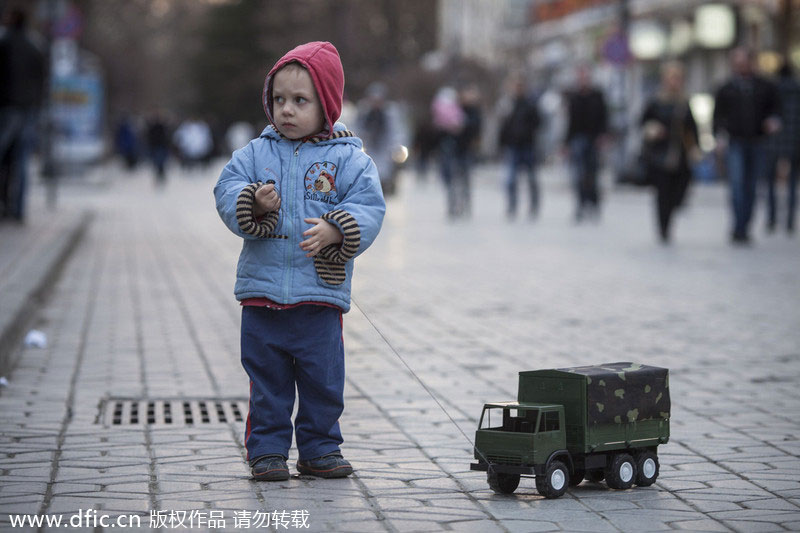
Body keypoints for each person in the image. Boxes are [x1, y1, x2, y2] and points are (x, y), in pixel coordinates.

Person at [213, 42, 385, 482]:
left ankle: (319, 449)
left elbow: (370, 206)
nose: (286, 110)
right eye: (279, 100)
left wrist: (338, 228)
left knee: (322, 382)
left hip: (318, 296)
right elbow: (227, 187)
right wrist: (251, 202)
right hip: (262, 294)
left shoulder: (349, 158)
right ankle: (267, 451)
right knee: (266, 382)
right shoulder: (256, 153)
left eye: (300, 101)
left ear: (326, 104)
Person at [713, 47, 780, 244]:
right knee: (737, 184)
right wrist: (719, 136)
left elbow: (776, 110)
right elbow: (718, 116)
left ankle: (745, 225)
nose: (740, 67)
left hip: (758, 142)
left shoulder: (765, 87)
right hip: (735, 142)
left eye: (743, 63)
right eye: (737, 63)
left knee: (751, 186)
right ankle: (738, 226)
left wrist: (774, 121)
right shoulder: (726, 88)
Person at [640, 61, 699, 244]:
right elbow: (642, 122)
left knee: (678, 191)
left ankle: (670, 215)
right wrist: (653, 129)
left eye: (678, 78)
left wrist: (695, 147)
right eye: (671, 78)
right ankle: (663, 228)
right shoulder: (656, 101)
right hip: (659, 154)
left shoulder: (684, 101)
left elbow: (692, 127)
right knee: (662, 193)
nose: (674, 82)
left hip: (679, 153)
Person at [0, 7, 45, 222]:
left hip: (8, 107)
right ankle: (18, 210)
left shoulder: (5, 43)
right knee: (22, 161)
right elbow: (42, 80)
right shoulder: (35, 46)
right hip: (29, 110)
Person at [564, 66, 607, 222]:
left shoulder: (597, 95)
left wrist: (603, 135)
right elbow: (570, 122)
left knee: (592, 174)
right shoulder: (574, 97)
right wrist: (566, 143)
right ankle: (581, 204)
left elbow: (604, 117)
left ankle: (593, 203)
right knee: (579, 174)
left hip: (594, 138)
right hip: (577, 139)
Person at [765, 62, 800, 235]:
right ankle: (790, 220)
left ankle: (771, 218)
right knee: (792, 182)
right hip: (794, 141)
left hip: (774, 141)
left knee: (771, 181)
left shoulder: (773, 90)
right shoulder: (797, 90)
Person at [499, 78, 540, 219]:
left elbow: (538, 123)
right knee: (510, 180)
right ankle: (512, 206)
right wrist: (502, 143)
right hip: (513, 146)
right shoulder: (508, 104)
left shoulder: (530, 104)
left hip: (528, 145)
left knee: (531, 179)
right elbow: (503, 126)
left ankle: (534, 206)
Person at [431, 86, 465, 218]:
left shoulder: (458, 113)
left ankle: (458, 204)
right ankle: (454, 204)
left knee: (456, 179)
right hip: (446, 152)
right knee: (449, 178)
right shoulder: (439, 120)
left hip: (457, 152)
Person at [145, 110, 171, 185]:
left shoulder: (162, 127)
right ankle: (159, 177)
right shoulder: (152, 127)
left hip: (160, 147)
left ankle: (161, 176)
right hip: (155, 147)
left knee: (160, 163)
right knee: (157, 163)